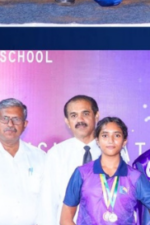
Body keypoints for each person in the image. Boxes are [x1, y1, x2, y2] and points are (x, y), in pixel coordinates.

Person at [61, 117, 150, 225]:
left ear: (124, 141)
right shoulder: (82, 173)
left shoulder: (135, 177)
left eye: (117, 135)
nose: (111, 140)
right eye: (105, 135)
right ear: (97, 140)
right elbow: (66, 218)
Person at [40, 95, 128, 225]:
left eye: (85, 114)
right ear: (67, 121)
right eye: (73, 115)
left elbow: (124, 193)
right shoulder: (56, 154)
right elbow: (48, 200)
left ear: (96, 116)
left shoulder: (113, 149)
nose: (80, 120)